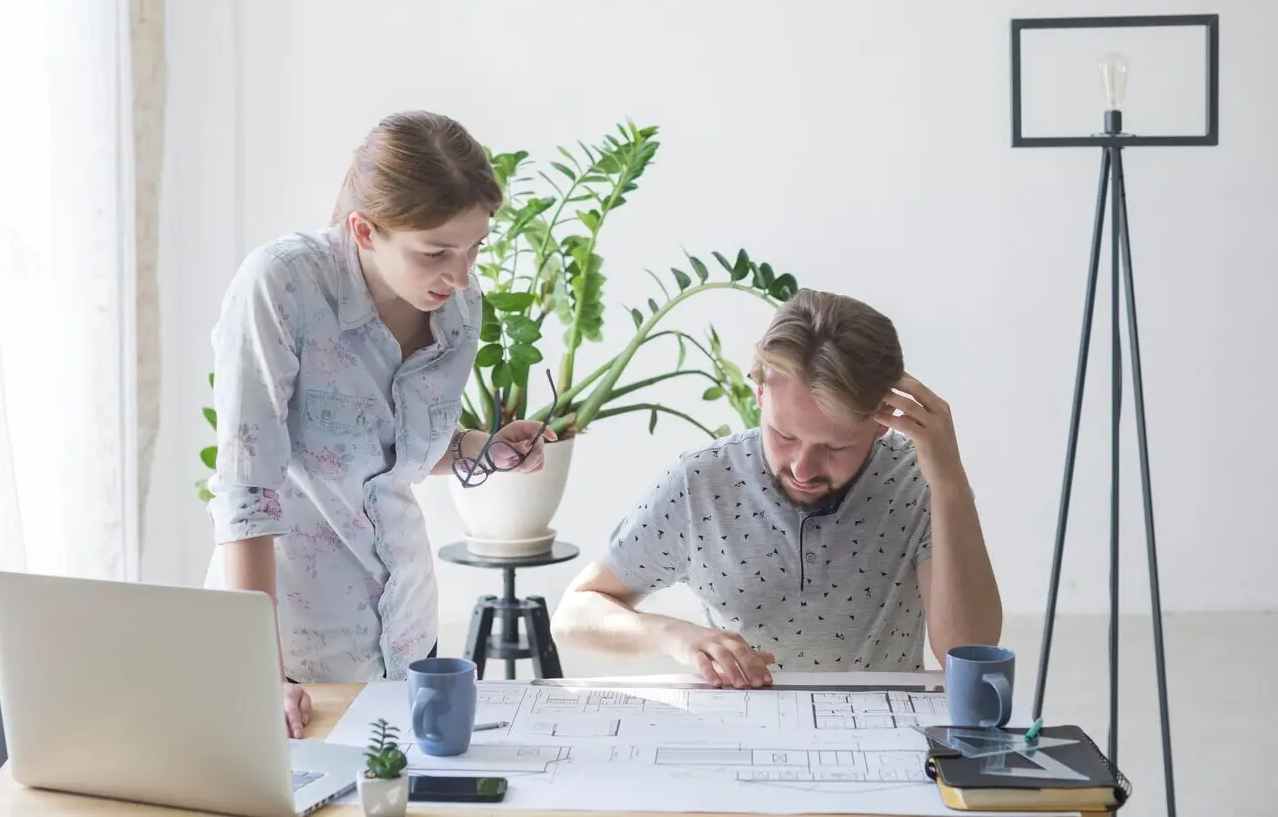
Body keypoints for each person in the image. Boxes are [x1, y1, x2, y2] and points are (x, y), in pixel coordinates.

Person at [203, 111, 553, 737]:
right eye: (436, 252)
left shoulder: (458, 310)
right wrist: (259, 672)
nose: (462, 274)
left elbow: (398, 452)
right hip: (294, 644)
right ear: (365, 230)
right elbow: (245, 489)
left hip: (409, 632)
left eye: (475, 247)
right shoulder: (282, 285)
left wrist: (483, 450)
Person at [552, 289, 1000, 688]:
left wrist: (950, 482)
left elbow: (968, 654)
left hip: (885, 738)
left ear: (883, 421)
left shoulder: (918, 482)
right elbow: (576, 613)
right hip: (742, 735)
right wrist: (674, 635)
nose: (804, 468)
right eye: (784, 436)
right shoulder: (701, 484)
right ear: (760, 392)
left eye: (835, 446)